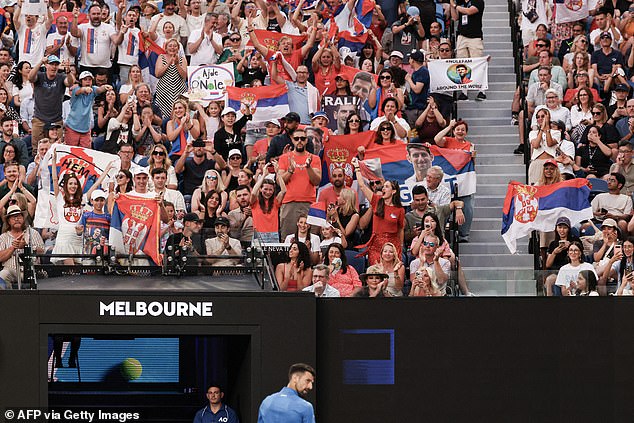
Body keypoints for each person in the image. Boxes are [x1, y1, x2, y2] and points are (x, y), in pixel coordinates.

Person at [353, 157, 404, 265]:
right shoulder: (376, 201)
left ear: (394, 191)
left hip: (392, 246)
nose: (383, 189)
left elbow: (400, 230)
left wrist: (401, 247)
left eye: (387, 187)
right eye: (383, 187)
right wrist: (357, 168)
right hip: (376, 245)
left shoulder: (400, 210)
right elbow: (362, 186)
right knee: (376, 273)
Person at [278, 128, 321, 240]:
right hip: (289, 203)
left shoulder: (314, 158)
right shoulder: (284, 158)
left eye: (302, 138)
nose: (299, 141)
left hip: (309, 203)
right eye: (296, 138)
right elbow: (280, 181)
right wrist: (290, 170)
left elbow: (316, 181)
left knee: (311, 239)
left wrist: (308, 167)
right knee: (288, 240)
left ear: (307, 140)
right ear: (292, 140)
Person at [28, 54, 74, 148]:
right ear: (46, 65)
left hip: (56, 120)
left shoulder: (61, 77)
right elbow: (30, 77)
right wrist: (40, 62)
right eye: (51, 64)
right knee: (37, 149)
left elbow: (70, 83)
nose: (54, 66)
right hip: (39, 119)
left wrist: (68, 71)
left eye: (56, 64)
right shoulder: (40, 76)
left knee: (58, 148)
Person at [0, 204, 44, 289]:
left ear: (23, 219)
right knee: (1, 276)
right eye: (13, 217)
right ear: (9, 221)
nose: (16, 219)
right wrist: (13, 247)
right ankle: (7, 300)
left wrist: (26, 246)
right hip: (10, 270)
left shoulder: (33, 233)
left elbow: (42, 251)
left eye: (19, 217)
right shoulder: (3, 237)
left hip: (31, 270)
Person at [450, 0, 485, 101]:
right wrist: (452, 6)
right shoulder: (460, 2)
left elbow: (470, 11)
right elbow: (455, 17)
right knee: (462, 64)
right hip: (462, 36)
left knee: (477, 64)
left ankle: (481, 91)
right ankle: (464, 92)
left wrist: (455, 6)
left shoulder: (478, 1)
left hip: (475, 37)